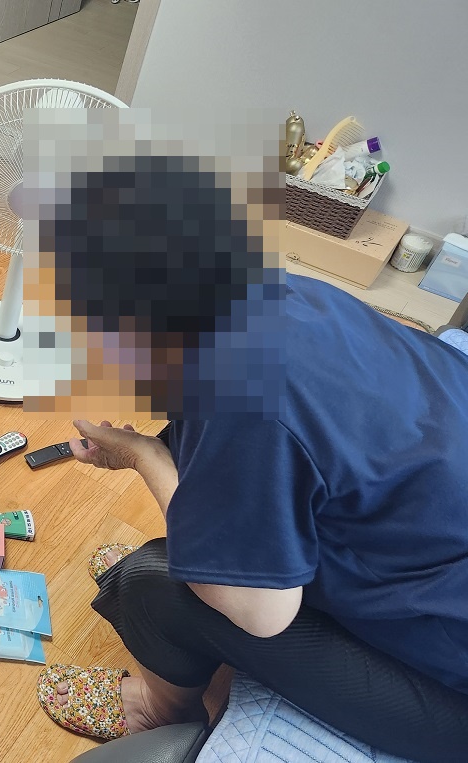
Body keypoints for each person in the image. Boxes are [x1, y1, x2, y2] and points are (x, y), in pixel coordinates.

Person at [33, 162, 468, 762]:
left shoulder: (238, 388)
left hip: (451, 696)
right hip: (433, 557)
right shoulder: (284, 294)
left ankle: (157, 710)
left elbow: (262, 614)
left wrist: (147, 456)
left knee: (154, 581)